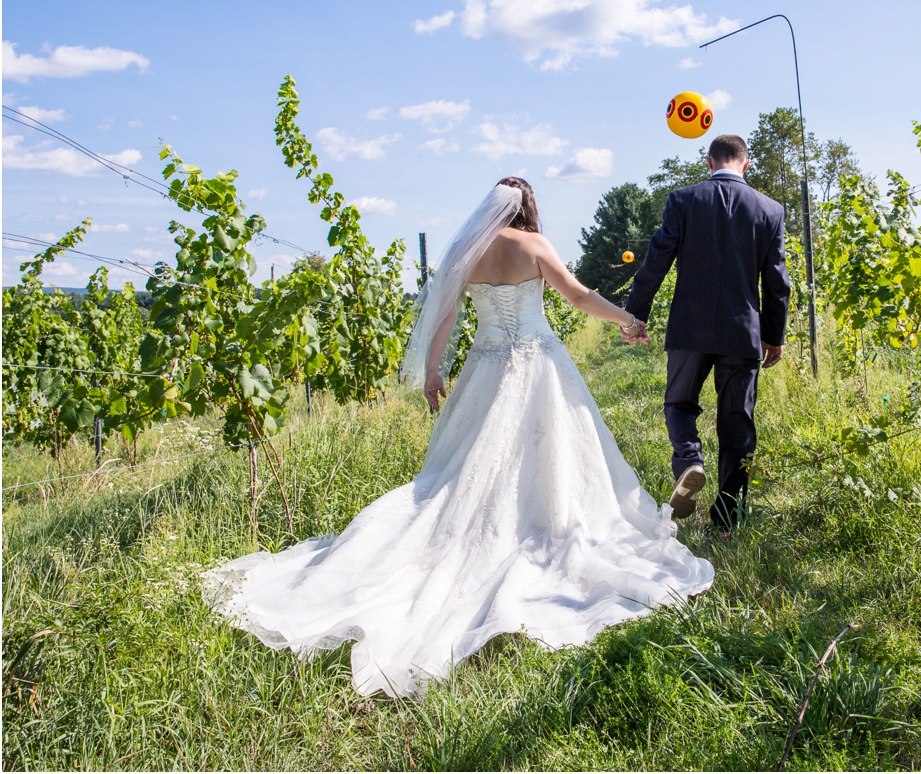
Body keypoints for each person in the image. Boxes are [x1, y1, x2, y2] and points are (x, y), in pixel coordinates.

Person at [203, 178, 714, 698]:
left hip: (484, 369)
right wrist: (627, 318)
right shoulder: (535, 246)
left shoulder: (469, 252)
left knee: (463, 472)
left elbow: (445, 315)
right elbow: (578, 296)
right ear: (528, 207)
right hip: (538, 362)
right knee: (548, 459)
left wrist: (432, 372)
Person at [623, 135, 790, 532]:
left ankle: (689, 460)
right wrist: (774, 335)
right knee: (738, 420)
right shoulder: (771, 209)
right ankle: (728, 515)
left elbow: (656, 259)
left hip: (689, 328)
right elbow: (777, 282)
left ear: (709, 161)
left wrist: (635, 315)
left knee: (679, 403)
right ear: (745, 165)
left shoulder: (683, 199)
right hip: (743, 331)